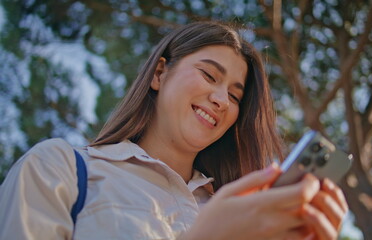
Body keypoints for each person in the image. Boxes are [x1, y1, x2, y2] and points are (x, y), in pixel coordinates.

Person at [0, 21, 348, 239]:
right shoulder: (59, 169)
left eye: (234, 95)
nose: (221, 100)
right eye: (210, 76)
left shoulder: (242, 210)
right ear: (159, 73)